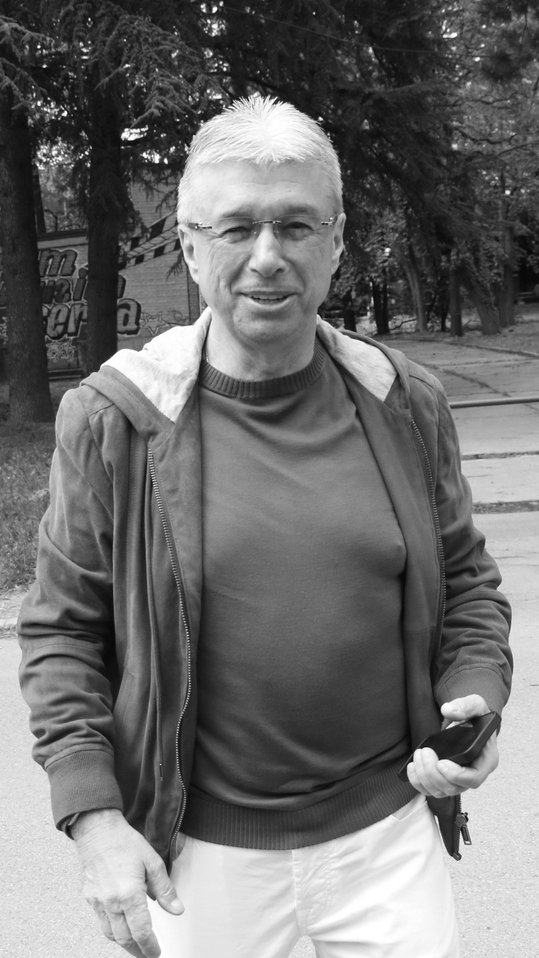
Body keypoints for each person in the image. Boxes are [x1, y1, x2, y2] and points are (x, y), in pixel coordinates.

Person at [19, 95, 512, 958]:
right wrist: (94, 818)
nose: (267, 256)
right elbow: (63, 632)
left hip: (389, 844)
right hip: (203, 866)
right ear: (189, 245)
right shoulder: (115, 420)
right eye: (236, 228)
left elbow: (466, 580)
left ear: (337, 240)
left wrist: (475, 696)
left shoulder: (404, 401)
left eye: (295, 225)